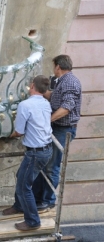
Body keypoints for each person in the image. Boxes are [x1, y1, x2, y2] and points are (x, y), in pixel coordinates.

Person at [2, 75, 53, 231]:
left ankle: (32, 221)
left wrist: (7, 135)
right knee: (22, 177)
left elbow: (19, 131)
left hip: (35, 153)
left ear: (32, 86)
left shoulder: (25, 105)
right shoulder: (45, 103)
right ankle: (19, 206)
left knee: (24, 187)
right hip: (46, 149)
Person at [32, 55, 82, 211]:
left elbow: (67, 107)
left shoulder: (71, 82)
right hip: (57, 128)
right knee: (45, 163)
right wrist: (38, 92)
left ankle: (48, 200)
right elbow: (54, 97)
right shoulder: (64, 82)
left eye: (54, 66)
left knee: (52, 166)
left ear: (58, 67)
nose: (53, 70)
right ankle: (40, 198)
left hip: (63, 129)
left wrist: (49, 120)